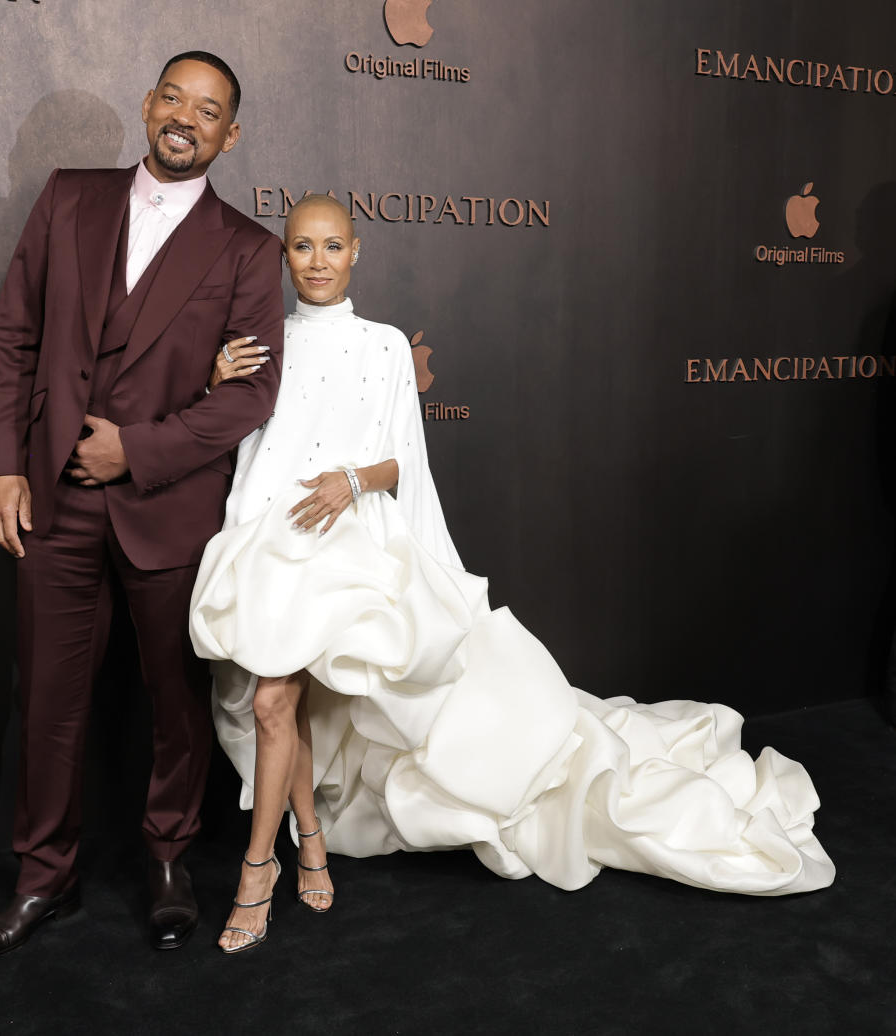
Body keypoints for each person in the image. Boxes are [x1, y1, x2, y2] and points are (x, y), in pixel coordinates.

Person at [190, 195, 835, 954]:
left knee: (280, 699)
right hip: (273, 542)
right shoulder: (261, 344)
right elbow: (233, 441)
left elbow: (404, 459)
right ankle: (309, 840)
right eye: (303, 247)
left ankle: (258, 870)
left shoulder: (387, 344)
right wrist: (214, 380)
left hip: (350, 543)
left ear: (357, 251)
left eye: (333, 246)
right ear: (284, 255)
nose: (319, 262)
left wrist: (351, 482)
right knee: (276, 702)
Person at [0, 51, 284, 963]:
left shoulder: (250, 250)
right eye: (173, 97)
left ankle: (171, 860)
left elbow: (247, 399)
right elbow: (14, 332)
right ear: (149, 106)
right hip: (51, 500)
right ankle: (40, 877)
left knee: (175, 703)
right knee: (49, 700)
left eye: (208, 109)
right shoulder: (68, 197)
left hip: (169, 509)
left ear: (230, 134)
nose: (186, 117)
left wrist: (132, 451)